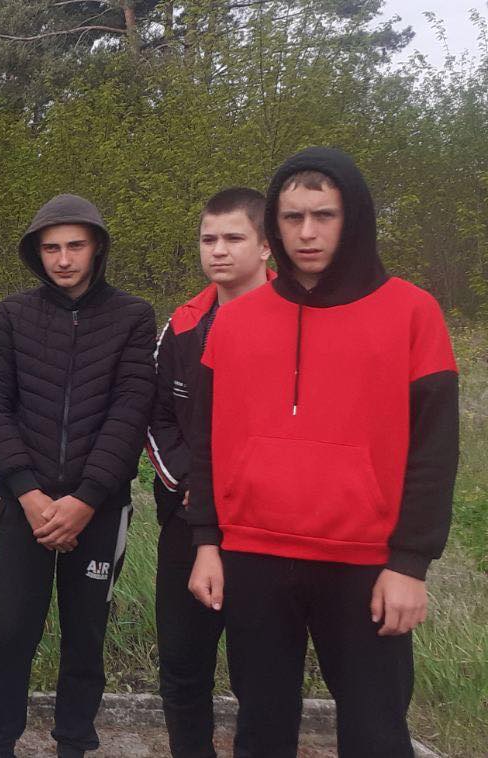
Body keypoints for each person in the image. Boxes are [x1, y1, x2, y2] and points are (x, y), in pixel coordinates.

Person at [186, 147, 457, 758]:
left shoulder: (413, 312)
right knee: (261, 730)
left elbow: (436, 452)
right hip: (253, 555)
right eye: (292, 217)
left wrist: (411, 564)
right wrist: (205, 541)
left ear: (353, 217)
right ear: (274, 227)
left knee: (376, 733)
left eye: (324, 215)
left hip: (367, 564)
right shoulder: (235, 321)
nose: (307, 232)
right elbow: (205, 440)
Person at [0, 193, 156, 758]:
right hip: (20, 503)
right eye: (51, 248)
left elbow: (131, 412)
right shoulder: (12, 315)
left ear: (97, 247)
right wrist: (28, 493)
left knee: (85, 634)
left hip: (98, 506)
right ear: (37, 253)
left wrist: (86, 499)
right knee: (8, 631)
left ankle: (74, 743)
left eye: (75, 245)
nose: (64, 259)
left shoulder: (133, 317)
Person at [144, 187, 274, 758]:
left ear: (266, 246)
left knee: (261, 673)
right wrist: (191, 483)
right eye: (208, 239)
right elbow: (154, 415)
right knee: (181, 665)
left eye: (233, 238)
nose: (218, 250)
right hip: (187, 516)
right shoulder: (182, 324)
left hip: (264, 526)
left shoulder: (297, 322)